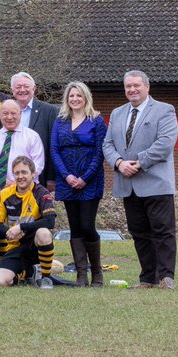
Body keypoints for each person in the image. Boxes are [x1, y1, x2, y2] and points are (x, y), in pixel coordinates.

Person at [103, 70, 178, 289]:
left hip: (156, 183)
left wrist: (138, 162)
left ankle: (166, 278)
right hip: (128, 185)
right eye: (128, 86)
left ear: (147, 87)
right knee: (139, 234)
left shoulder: (165, 110)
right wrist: (118, 163)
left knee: (163, 232)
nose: (132, 90)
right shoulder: (117, 113)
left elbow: (165, 143)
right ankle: (148, 278)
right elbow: (107, 144)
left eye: (136, 85)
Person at [51, 81, 108, 286]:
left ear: (86, 98)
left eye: (79, 96)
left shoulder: (97, 121)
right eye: (71, 96)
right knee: (74, 226)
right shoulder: (60, 121)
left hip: (90, 181)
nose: (75, 99)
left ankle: (98, 272)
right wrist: (66, 176)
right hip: (67, 180)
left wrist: (85, 177)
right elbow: (54, 150)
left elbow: (99, 152)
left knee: (87, 225)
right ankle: (81, 274)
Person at [0, 156, 59, 288]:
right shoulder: (5, 194)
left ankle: (46, 278)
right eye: (17, 173)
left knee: (44, 233)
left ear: (33, 174)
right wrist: (10, 232)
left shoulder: (41, 192)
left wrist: (21, 227)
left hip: (36, 246)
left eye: (24, 172)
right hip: (16, 246)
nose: (20, 176)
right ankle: (27, 273)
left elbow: (50, 221)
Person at [0, 100, 44, 195]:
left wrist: (19, 182)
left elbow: (38, 164)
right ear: (0, 115)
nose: (9, 117)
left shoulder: (32, 137)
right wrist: (3, 182)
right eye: (5, 113)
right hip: (2, 191)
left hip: (28, 191)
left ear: (20, 114)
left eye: (13, 113)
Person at [9, 72, 59, 187]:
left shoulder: (49, 111)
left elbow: (53, 144)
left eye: (26, 86)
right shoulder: (5, 111)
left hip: (38, 176)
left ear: (34, 88)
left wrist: (51, 177)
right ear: (12, 90)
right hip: (10, 177)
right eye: (18, 87)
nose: (22, 90)